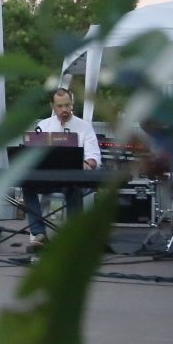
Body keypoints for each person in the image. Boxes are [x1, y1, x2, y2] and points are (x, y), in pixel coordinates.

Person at [23, 87, 102, 251]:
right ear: (52, 105)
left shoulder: (84, 127)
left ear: (72, 103)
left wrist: (88, 163)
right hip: (49, 178)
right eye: (60, 106)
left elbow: (94, 156)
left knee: (72, 186)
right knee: (27, 184)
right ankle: (39, 234)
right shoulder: (43, 125)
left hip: (73, 179)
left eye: (67, 105)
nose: (64, 109)